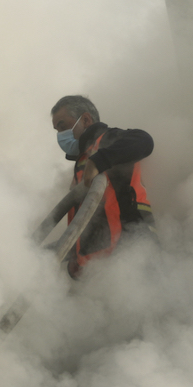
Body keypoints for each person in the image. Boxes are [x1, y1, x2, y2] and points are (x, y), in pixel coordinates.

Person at [50, 95, 156, 277]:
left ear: (85, 120)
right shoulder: (83, 161)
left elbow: (144, 141)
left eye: (62, 125)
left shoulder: (109, 140)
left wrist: (100, 160)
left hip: (134, 256)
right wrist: (76, 257)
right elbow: (86, 220)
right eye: (57, 130)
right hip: (103, 269)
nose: (60, 135)